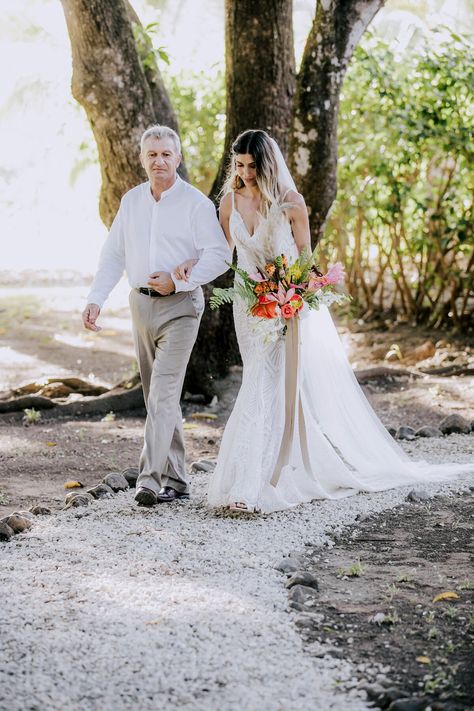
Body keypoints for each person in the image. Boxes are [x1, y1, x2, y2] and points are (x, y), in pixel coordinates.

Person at [175, 129, 473, 514]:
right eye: (240, 165)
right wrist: (189, 265)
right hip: (247, 308)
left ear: (267, 165)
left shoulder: (291, 204)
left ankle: (254, 483)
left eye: (252, 166)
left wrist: (295, 294)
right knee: (257, 380)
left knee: (266, 386)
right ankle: (259, 474)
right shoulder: (230, 201)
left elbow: (305, 261)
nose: (245, 173)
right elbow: (219, 253)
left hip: (285, 309)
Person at [83, 125, 231, 507]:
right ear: (142, 159)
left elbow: (218, 255)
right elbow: (113, 255)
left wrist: (178, 283)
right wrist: (96, 298)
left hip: (181, 309)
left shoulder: (196, 204)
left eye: (166, 154)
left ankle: (149, 480)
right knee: (157, 399)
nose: (159, 161)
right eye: (152, 155)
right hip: (140, 305)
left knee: (164, 393)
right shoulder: (131, 201)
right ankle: (179, 481)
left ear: (178, 159)